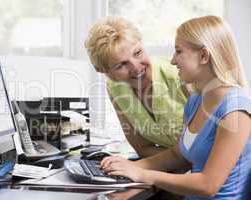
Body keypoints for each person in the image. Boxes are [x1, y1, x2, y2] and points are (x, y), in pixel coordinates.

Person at [100, 15, 251, 199]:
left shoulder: (235, 110)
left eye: (178, 51)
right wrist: (128, 166)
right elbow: (177, 155)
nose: (172, 60)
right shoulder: (196, 101)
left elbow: (208, 185)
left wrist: (143, 175)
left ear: (203, 56)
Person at [85, 17, 188, 158]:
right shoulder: (115, 87)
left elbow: (207, 150)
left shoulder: (180, 75)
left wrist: (140, 169)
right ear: (103, 70)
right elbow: (143, 148)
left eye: (137, 53)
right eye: (121, 65)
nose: (136, 67)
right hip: (172, 172)